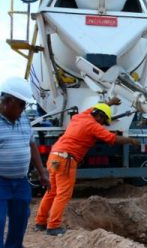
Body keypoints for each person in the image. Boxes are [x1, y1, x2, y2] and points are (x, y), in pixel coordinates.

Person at [34, 97, 140, 236]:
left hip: (54, 156)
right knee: (63, 194)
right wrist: (131, 140)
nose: (103, 124)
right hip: (66, 160)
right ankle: (53, 226)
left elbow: (96, 107)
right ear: (100, 116)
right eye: (104, 120)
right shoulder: (93, 126)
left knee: (51, 191)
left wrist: (110, 103)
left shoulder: (80, 117)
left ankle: (40, 223)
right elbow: (112, 139)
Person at [1, 78, 50, 248]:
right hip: (1, 182)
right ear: (7, 102)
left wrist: (42, 172)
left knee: (21, 218)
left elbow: (31, 144)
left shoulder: (23, 119)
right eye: (20, 105)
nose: (23, 109)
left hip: (20, 181)